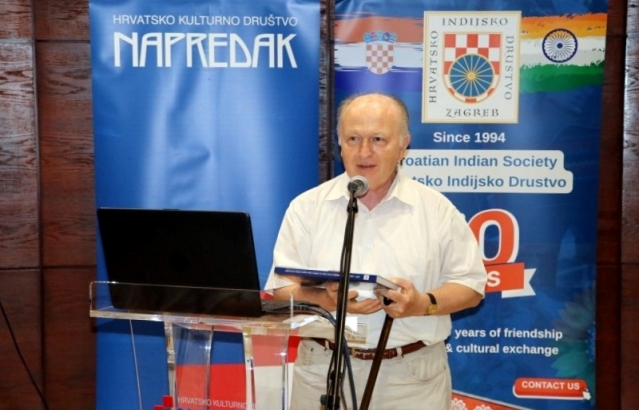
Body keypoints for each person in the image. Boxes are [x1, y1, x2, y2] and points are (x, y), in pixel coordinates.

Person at [264, 92, 487, 410]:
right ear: (339, 143)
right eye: (353, 139)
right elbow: (281, 292)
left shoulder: (436, 210)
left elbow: (471, 287)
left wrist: (421, 304)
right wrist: (328, 299)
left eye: (378, 139)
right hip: (321, 372)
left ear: (403, 145)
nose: (364, 152)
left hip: (410, 381)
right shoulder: (306, 208)